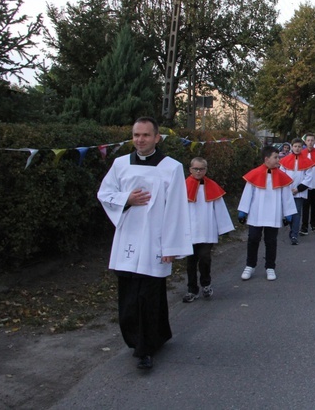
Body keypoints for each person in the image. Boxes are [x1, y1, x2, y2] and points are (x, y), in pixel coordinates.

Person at [97, 117, 193, 370]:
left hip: (155, 239)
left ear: (157, 138)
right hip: (128, 238)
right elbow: (104, 194)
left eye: (146, 135)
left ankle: (146, 348)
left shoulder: (171, 167)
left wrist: (172, 247)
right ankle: (143, 339)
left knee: (149, 296)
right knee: (129, 298)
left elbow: (176, 209)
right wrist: (126, 198)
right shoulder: (120, 164)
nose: (140, 140)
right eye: (136, 135)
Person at [238, 146, 297, 281]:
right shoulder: (255, 173)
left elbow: (286, 197)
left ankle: (270, 267)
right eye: (275, 157)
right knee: (253, 239)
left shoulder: (282, 176)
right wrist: (243, 211)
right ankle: (250, 265)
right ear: (266, 159)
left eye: (278, 157)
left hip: (273, 214)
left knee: (271, 241)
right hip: (256, 214)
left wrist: (288, 214)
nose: (278, 159)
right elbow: (248, 194)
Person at [183, 157, 235, 303]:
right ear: (190, 169)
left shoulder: (211, 186)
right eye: (195, 169)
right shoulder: (182, 186)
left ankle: (206, 284)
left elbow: (220, 208)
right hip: (190, 230)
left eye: (201, 169)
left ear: (206, 170)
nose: (198, 171)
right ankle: (192, 289)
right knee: (191, 262)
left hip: (207, 229)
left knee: (205, 258)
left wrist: (224, 228)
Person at [279, 138, 315, 245]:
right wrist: (287, 188)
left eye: (299, 146)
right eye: (295, 146)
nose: (297, 148)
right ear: (292, 147)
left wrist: (298, 189)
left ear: (302, 147)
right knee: (288, 212)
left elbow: (309, 177)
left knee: (297, 213)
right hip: (287, 190)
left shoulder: (307, 161)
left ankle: (294, 234)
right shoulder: (285, 160)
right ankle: (291, 228)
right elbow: (282, 174)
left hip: (299, 192)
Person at [300, 132, 315, 235]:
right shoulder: (302, 153)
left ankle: (313, 223)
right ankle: (304, 226)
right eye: (308, 140)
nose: (310, 142)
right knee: (305, 205)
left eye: (312, 140)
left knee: (314, 204)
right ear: (305, 142)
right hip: (305, 183)